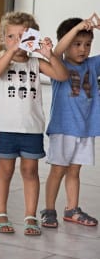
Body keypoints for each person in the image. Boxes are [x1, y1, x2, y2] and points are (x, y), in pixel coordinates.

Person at [0, 11, 68, 235]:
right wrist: (11, 51)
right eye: (11, 37)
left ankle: (30, 215)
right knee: (4, 171)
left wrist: (50, 54)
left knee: (30, 171)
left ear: (32, 37)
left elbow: (61, 76)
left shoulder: (36, 63)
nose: (17, 41)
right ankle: (0, 213)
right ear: (3, 39)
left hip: (32, 128)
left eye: (22, 36)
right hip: (5, 127)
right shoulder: (2, 59)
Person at [40, 15, 100, 229]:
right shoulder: (58, 65)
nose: (83, 49)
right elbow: (56, 50)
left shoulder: (93, 65)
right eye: (77, 44)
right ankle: (49, 210)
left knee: (74, 171)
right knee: (58, 170)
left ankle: (72, 209)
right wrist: (76, 28)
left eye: (87, 44)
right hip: (64, 129)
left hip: (85, 129)